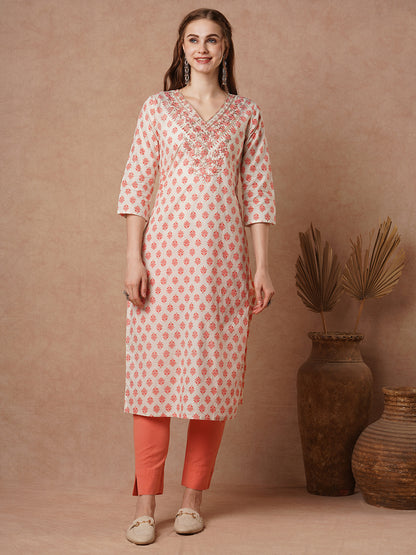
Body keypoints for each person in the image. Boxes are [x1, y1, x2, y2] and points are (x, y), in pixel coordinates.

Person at [117, 7, 276, 546]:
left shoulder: (246, 113)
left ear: (226, 47)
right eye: (193, 39)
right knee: (152, 384)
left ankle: (192, 501)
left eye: (212, 39)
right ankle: (145, 507)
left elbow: (258, 195)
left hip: (223, 266)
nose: (202, 48)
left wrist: (261, 266)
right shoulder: (158, 107)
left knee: (212, 381)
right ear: (181, 48)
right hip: (164, 263)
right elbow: (136, 186)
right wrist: (134, 258)